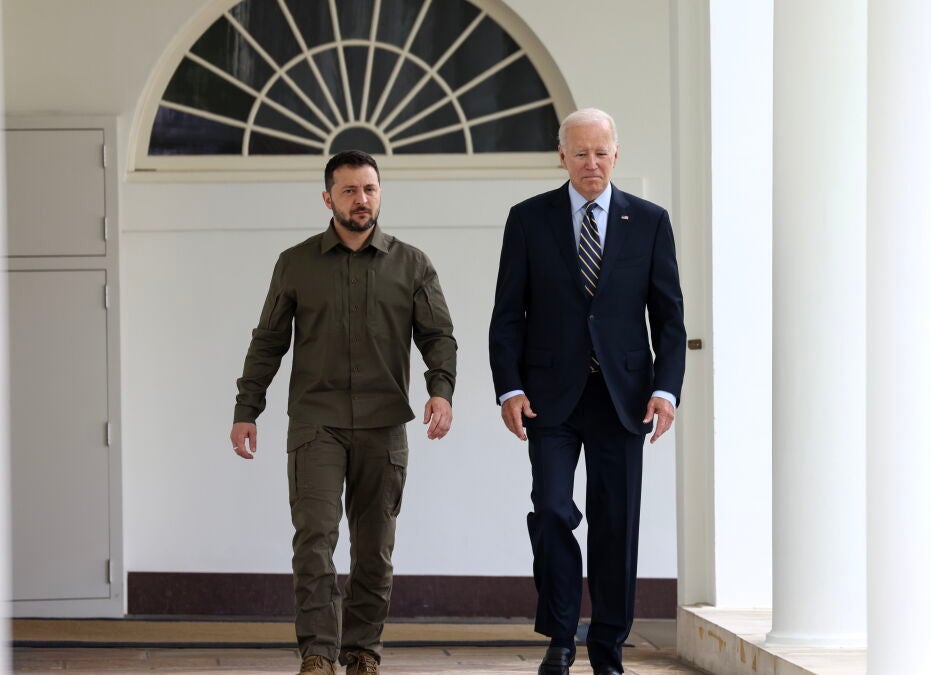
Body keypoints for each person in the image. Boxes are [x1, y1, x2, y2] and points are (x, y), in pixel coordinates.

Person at [229, 150, 457, 675]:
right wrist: (247, 409)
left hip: (385, 424)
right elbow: (268, 342)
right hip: (316, 423)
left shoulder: (413, 264)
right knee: (315, 538)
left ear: (380, 193)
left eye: (370, 189)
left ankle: (362, 652)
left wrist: (441, 391)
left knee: (374, 548)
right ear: (327, 198)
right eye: (349, 190)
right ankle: (317, 653)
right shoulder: (296, 263)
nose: (361, 199)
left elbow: (438, 337)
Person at [488, 108, 686, 675]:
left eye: (601, 152)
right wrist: (509, 388)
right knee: (552, 510)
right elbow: (508, 314)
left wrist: (666, 390)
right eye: (580, 153)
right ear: (562, 157)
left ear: (616, 155)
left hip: (625, 398)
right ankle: (560, 634)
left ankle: (607, 650)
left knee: (616, 526)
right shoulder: (528, 219)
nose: (591, 163)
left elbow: (668, 318)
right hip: (549, 397)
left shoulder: (649, 221)